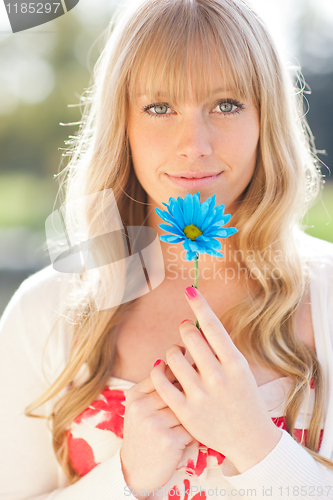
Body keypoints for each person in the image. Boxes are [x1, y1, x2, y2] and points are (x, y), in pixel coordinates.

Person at [0, 0, 333, 498]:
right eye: (159, 108)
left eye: (226, 104)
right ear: (123, 125)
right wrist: (125, 476)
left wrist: (256, 445)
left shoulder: (326, 294)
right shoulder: (45, 310)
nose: (193, 142)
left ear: (266, 118)